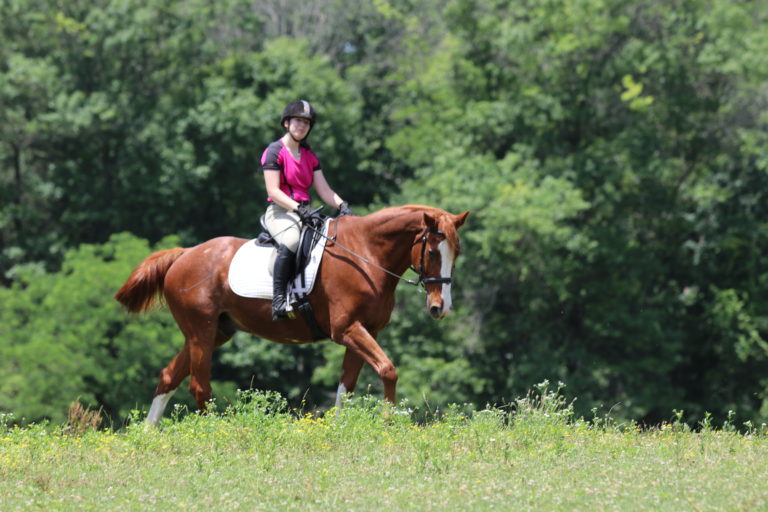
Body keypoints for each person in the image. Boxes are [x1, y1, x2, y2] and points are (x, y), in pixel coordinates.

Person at [261, 100, 353, 321]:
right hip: (281, 211)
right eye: (298, 121)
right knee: (292, 240)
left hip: (305, 212)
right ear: (286, 123)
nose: (302, 126)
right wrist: (298, 209)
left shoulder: (309, 157)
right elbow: (273, 190)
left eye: (306, 122)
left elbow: (324, 190)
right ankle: (279, 300)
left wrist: (342, 205)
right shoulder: (274, 151)